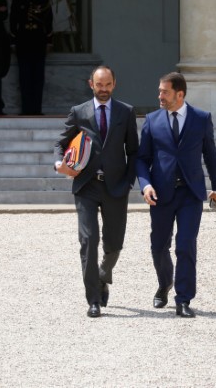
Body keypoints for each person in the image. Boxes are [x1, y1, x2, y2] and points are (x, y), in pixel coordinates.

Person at [136, 72, 216, 318]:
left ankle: (183, 299)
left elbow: (211, 155)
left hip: (190, 193)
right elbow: (142, 159)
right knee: (158, 246)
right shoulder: (152, 120)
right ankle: (165, 283)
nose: (160, 96)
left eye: (165, 91)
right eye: (160, 91)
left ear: (180, 94)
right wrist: (145, 185)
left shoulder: (201, 119)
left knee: (186, 245)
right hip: (161, 194)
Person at [54, 66, 139, 318]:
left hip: (116, 187)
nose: (103, 90)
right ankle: (93, 299)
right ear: (91, 84)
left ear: (114, 84)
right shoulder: (79, 112)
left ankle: (103, 274)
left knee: (114, 244)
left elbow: (134, 151)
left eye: (108, 85)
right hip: (86, 185)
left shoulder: (126, 112)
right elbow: (61, 142)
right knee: (89, 240)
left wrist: (129, 182)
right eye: (99, 85)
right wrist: (60, 164)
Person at [10, 0, 53, 115]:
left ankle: (36, 109)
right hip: (23, 43)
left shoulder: (44, 1)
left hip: (39, 43)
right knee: (24, 78)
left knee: (38, 78)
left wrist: (49, 42)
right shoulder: (17, 2)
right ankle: (26, 110)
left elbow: (49, 23)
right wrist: (13, 43)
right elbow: (12, 24)